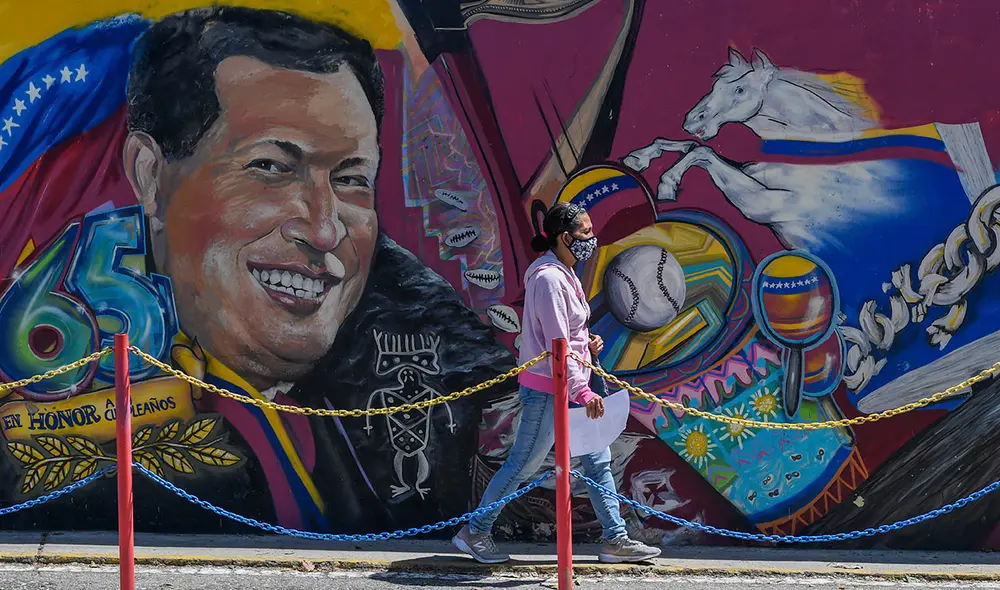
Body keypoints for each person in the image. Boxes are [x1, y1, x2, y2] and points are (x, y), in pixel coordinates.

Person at [115, 6, 516, 534]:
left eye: (352, 179)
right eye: (272, 168)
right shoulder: (53, 356)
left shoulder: (431, 339)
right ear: (151, 176)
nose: (325, 231)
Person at [452, 202, 662, 564]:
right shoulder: (549, 279)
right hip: (551, 390)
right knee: (524, 464)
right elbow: (556, 345)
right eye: (585, 232)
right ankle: (475, 532)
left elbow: (569, 335)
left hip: (572, 384)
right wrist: (582, 391)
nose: (592, 239)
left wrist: (589, 341)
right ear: (565, 237)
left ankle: (615, 539)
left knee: (597, 461)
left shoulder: (563, 273)